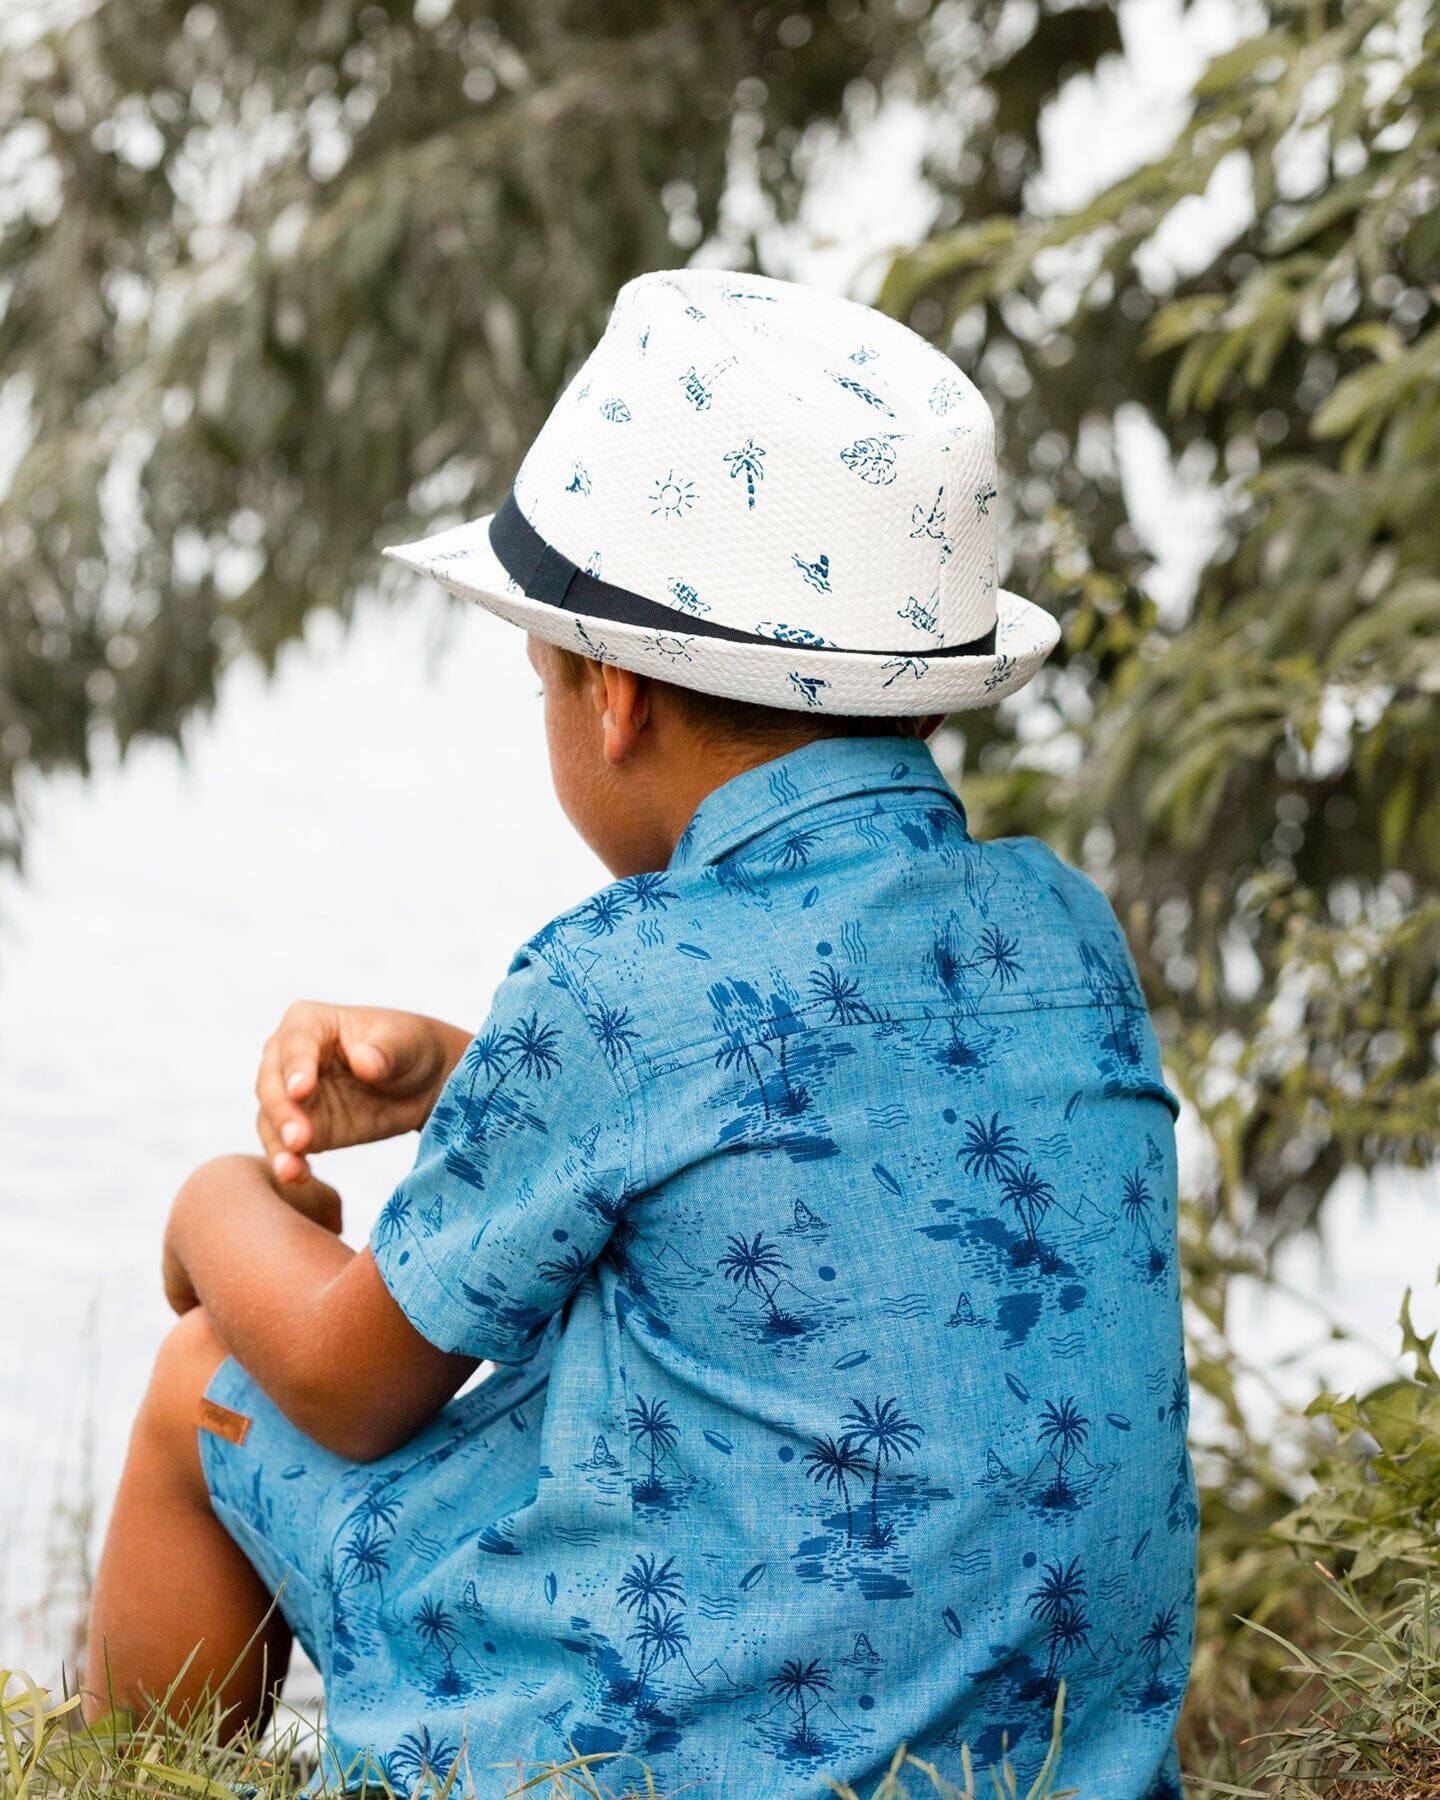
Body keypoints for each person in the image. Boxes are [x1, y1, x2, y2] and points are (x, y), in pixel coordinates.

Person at [85, 269, 1196, 1798]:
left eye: (540, 675)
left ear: (611, 697)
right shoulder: (1065, 934)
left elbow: (349, 1384)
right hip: (1033, 1760)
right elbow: (812, 1136)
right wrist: (475, 1071)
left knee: (205, 1376)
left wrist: (211, 1204)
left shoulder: (617, 982)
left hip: (678, 1751)